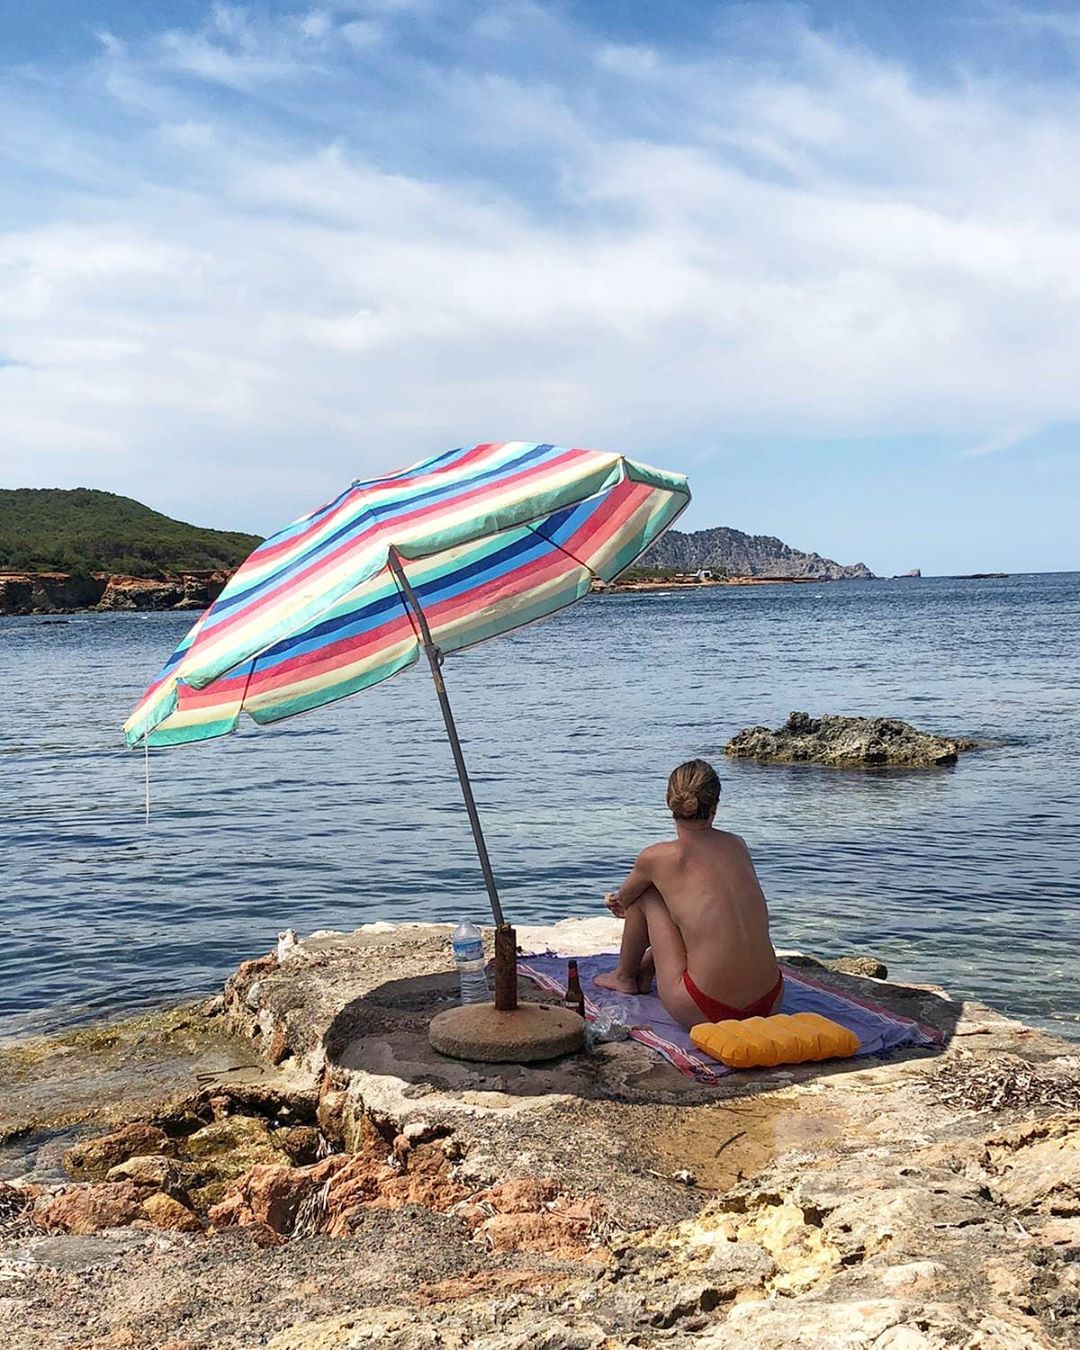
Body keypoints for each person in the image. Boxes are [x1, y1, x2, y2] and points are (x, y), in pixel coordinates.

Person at [594, 759, 783, 1028]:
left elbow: (624, 900)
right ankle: (644, 972)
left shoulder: (658, 857)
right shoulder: (737, 844)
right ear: (715, 805)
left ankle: (624, 977)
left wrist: (613, 901)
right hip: (771, 1001)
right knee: (698, 910)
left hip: (705, 1006)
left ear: (669, 802)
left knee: (648, 894)